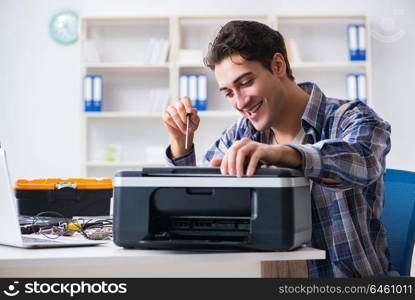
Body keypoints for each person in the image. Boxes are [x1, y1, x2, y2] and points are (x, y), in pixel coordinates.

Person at [162, 20, 398, 277]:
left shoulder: (352, 118)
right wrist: (179, 144)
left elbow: (362, 161)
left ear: (278, 65)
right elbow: (196, 203)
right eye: (229, 93)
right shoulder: (242, 133)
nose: (240, 102)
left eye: (245, 82)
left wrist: (283, 154)